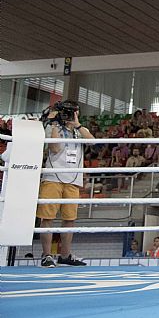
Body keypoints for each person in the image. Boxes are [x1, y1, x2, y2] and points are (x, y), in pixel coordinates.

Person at [38, 100, 92, 267]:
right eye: (69, 112)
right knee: (47, 218)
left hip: (73, 181)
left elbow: (92, 142)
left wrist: (77, 125)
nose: (71, 115)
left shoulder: (80, 131)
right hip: (52, 178)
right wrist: (54, 123)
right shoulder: (51, 127)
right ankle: (46, 255)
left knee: (69, 220)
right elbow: (54, 148)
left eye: (74, 112)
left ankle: (65, 255)